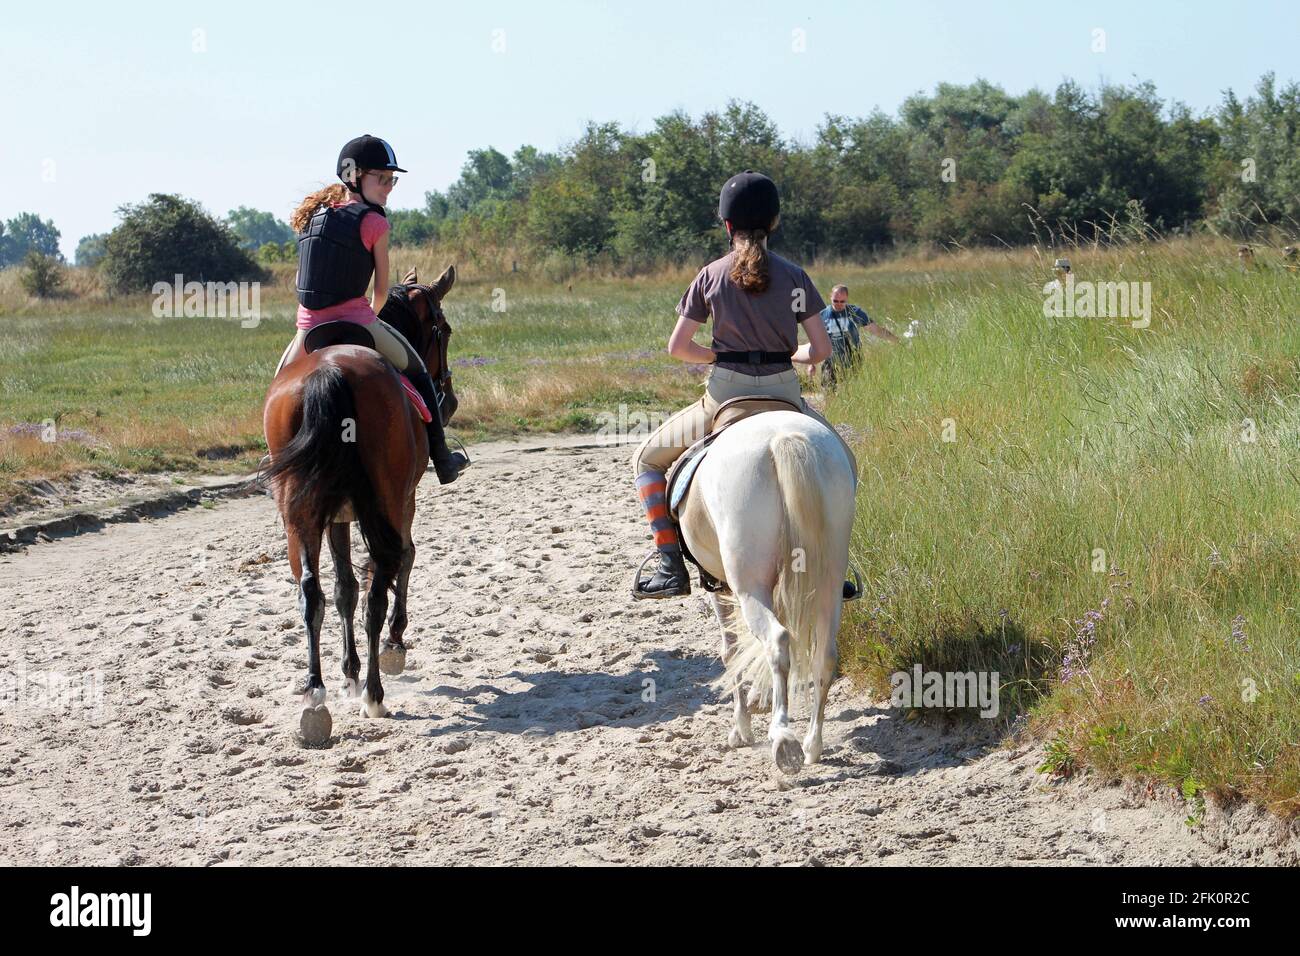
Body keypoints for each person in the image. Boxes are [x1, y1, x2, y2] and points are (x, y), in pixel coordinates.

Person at [630, 171, 859, 600]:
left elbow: (678, 346)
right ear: (774, 224)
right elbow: (822, 349)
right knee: (844, 464)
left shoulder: (710, 276)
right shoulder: (795, 277)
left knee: (647, 461)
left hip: (724, 397)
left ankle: (669, 565)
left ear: (726, 225)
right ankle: (835, 564)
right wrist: (790, 354)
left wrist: (718, 356)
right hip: (785, 397)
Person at [275, 135, 467, 485]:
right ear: (355, 177)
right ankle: (442, 458)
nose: (389, 187)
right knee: (420, 371)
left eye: (392, 180)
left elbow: (301, 282)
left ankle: (276, 462)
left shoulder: (313, 218)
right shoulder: (375, 222)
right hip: (358, 323)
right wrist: (370, 320)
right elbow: (380, 292)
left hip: (308, 329)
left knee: (280, 386)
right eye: (382, 178)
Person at [816, 284, 897, 387]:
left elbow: (875, 330)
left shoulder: (855, 312)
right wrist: (811, 364)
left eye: (842, 301)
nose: (839, 304)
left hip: (852, 360)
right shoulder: (822, 315)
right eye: (835, 301)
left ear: (847, 299)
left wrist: (894, 339)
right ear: (830, 297)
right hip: (831, 361)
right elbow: (816, 341)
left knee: (849, 391)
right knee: (828, 393)